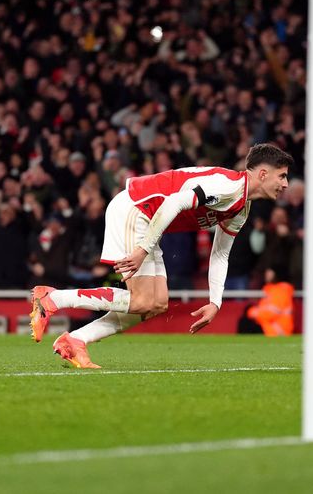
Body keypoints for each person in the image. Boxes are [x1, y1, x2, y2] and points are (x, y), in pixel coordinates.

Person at [29, 143, 294, 368]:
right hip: (135, 208)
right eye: (281, 176)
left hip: (148, 218)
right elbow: (174, 202)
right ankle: (53, 298)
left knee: (155, 304)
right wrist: (143, 250)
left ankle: (75, 340)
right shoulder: (226, 187)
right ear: (262, 174)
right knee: (143, 299)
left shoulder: (241, 207)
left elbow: (220, 254)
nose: (285, 183)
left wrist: (215, 301)